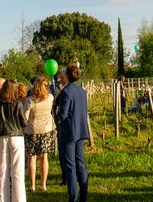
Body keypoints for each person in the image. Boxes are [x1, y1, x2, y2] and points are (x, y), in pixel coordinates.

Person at [56, 63, 89, 202]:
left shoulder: (66, 92)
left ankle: (73, 197)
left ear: (67, 76)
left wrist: (56, 117)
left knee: (70, 166)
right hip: (81, 130)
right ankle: (84, 195)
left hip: (69, 132)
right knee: (80, 163)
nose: (60, 78)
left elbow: (62, 113)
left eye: (62, 75)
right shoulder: (82, 91)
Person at [0, 79, 27, 202]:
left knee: (2, 173)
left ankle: (1, 199)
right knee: (17, 173)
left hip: (1, 138)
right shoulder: (18, 104)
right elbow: (23, 123)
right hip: (16, 137)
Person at [24, 76, 56, 192]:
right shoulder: (50, 98)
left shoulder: (29, 100)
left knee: (31, 158)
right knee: (44, 157)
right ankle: (43, 184)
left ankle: (32, 185)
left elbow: (25, 117)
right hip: (46, 130)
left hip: (32, 130)